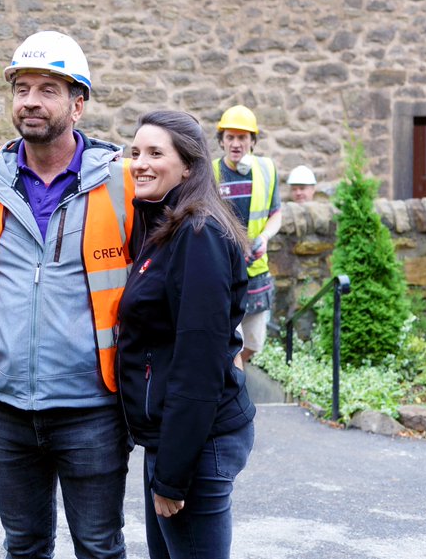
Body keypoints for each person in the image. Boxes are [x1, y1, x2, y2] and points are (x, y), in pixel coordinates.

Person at [0, 30, 133, 559]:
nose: (30, 101)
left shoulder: (121, 183)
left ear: (78, 104)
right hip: (7, 407)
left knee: (99, 547)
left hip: (92, 408)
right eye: (22, 89)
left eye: (48, 90)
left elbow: (152, 286)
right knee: (24, 546)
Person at [118, 110, 256, 559]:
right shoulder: (165, 223)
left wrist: (173, 475)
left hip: (196, 444)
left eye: (156, 153)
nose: (140, 163)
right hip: (171, 438)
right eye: (136, 152)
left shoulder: (198, 234)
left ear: (189, 167)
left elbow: (198, 362)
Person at [212, 105, 282, 365]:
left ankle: (232, 377)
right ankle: (233, 383)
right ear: (221, 140)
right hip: (223, 272)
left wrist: (264, 237)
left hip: (255, 270)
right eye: (230, 137)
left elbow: (276, 213)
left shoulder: (267, 169)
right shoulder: (210, 173)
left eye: (242, 137)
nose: (235, 143)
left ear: (253, 141)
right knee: (229, 340)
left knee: (253, 342)